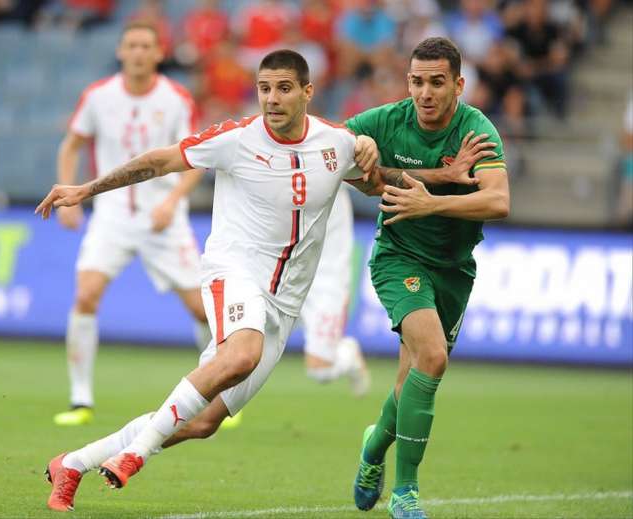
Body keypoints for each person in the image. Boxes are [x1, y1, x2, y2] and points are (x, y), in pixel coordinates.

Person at [36, 48, 491, 513]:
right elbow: (159, 161)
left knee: (202, 422)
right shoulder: (235, 139)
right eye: (264, 88)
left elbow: (378, 181)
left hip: (284, 304)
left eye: (284, 88)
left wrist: (443, 176)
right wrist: (85, 189)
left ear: (307, 92)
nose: (272, 99)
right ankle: (134, 455)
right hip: (234, 272)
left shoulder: (336, 143)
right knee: (242, 352)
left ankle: (73, 462)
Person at [347, 37, 509, 519]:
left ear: (458, 84)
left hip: (454, 270)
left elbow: (499, 201)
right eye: (417, 81)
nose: (425, 93)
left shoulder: (476, 131)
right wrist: (360, 149)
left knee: (410, 378)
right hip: (399, 257)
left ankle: (373, 448)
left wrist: (430, 202)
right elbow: (335, 159)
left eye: (437, 82)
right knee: (433, 358)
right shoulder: (384, 121)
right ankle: (406, 493)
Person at [51, 22, 211, 427]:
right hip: (112, 215)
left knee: (201, 309)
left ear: (159, 53)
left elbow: (195, 159)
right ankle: (79, 399)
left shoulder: (176, 99)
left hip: (164, 218)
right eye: (131, 46)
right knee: (86, 294)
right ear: (121, 51)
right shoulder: (99, 96)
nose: (138, 53)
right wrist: (70, 199)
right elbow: (70, 145)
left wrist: (174, 200)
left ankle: (216, 394)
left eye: (146, 46)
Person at [301, 186, 370, 396]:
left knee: (320, 370)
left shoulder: (334, 166)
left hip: (326, 277)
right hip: (285, 272)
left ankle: (348, 354)